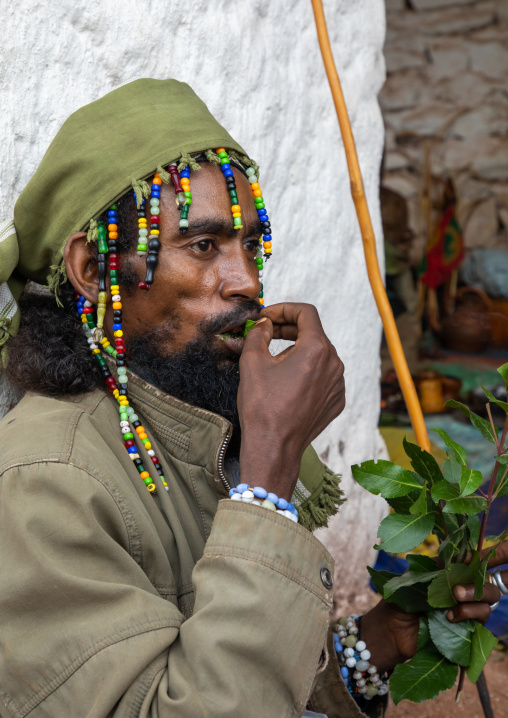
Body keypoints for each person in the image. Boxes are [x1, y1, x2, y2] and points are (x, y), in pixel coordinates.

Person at [0, 79, 505, 718]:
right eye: (204, 246)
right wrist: (269, 471)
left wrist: (382, 639)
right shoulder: (47, 478)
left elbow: (228, 671)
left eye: (250, 245)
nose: (246, 282)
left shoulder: (182, 426)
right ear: (96, 270)